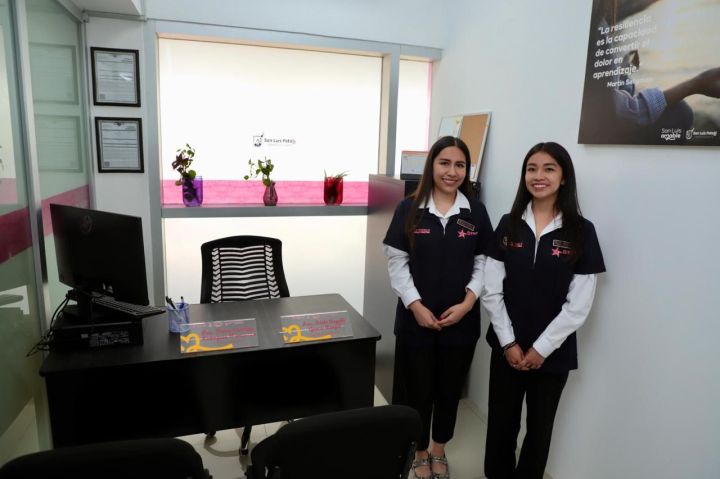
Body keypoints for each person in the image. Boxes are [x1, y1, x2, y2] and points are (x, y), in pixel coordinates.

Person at [482, 142, 606, 479]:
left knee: (539, 430)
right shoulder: (508, 224)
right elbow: (491, 290)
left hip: (553, 354)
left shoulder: (582, 231)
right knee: (501, 425)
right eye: (532, 169)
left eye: (549, 168)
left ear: (564, 177)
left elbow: (579, 305)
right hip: (506, 349)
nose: (539, 176)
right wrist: (509, 343)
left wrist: (541, 348)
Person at [383, 136, 493, 479]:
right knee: (416, 390)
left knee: (449, 390)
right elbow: (397, 262)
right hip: (415, 321)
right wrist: (415, 305)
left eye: (460, 165)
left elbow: (484, 262)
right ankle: (418, 451)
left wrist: (468, 303)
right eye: (445, 163)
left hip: (461, 322)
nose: (452, 171)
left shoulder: (475, 212)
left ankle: (438, 448)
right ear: (432, 165)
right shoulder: (409, 209)